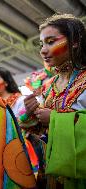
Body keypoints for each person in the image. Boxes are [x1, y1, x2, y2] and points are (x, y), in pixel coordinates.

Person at [24, 14, 86, 188]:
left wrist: (55, 118)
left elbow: (52, 119)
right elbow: (41, 131)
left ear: (74, 41)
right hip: (52, 173)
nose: (43, 50)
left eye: (51, 42)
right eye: (42, 44)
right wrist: (33, 113)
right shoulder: (49, 86)